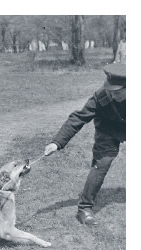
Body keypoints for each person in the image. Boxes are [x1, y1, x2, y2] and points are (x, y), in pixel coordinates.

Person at [44, 63, 126, 226]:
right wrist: (57, 143)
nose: (112, 94)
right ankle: (84, 209)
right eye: (110, 90)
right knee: (101, 164)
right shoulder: (101, 97)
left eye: (117, 91)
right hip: (107, 131)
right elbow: (78, 118)